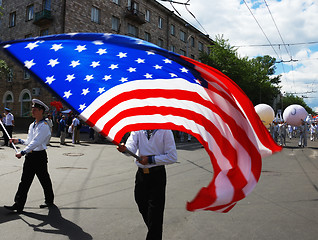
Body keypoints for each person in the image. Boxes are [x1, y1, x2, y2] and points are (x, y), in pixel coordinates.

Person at [117, 129, 177, 240]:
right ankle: (155, 230)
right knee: (141, 203)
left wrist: (151, 159)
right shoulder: (137, 129)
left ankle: (155, 232)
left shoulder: (165, 131)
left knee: (155, 212)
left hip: (157, 175)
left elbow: (172, 157)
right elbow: (131, 147)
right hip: (141, 175)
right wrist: (124, 149)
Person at [4, 99, 55, 213]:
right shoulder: (33, 125)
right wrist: (19, 140)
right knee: (25, 181)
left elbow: (36, 142)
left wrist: (22, 152)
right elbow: (30, 141)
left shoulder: (44, 126)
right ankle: (18, 204)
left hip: (39, 156)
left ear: (41, 111)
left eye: (35, 110)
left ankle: (49, 200)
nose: (32, 111)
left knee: (44, 179)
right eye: (32, 109)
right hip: (31, 156)